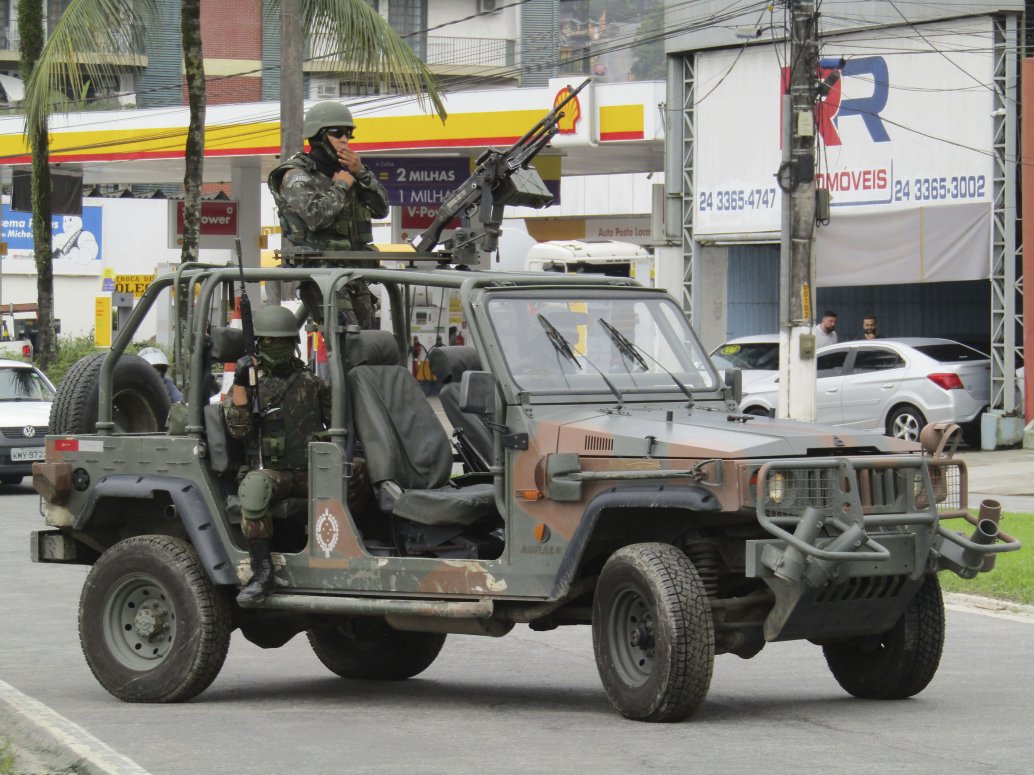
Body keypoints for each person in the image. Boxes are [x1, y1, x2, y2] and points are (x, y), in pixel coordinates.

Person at [225, 305, 332, 604]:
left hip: (310, 469)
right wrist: (241, 381)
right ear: (258, 342)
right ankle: (262, 573)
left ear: (293, 344)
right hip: (275, 473)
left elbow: (336, 422)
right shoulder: (251, 383)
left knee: (359, 470)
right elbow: (238, 428)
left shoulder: (311, 381)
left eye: (282, 341)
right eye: (268, 341)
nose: (275, 347)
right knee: (255, 488)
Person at [267, 101, 389, 326]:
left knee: (371, 342)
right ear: (317, 136)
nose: (345, 139)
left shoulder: (348, 173)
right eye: (337, 133)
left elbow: (382, 209)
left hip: (354, 274)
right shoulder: (296, 175)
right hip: (320, 276)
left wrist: (361, 173)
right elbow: (316, 217)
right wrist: (341, 186)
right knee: (347, 339)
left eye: (349, 133)